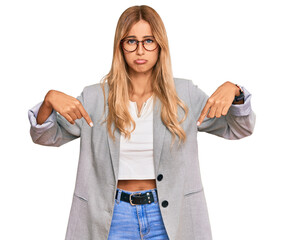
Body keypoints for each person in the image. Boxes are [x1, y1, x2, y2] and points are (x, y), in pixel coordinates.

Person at [28, 5, 256, 240]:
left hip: (171, 218)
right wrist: (49, 101)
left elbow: (239, 128)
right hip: (111, 217)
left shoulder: (184, 94)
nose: (140, 50)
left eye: (148, 41)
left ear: (160, 46)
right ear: (120, 46)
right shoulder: (95, 98)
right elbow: (45, 136)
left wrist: (235, 91)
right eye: (131, 41)